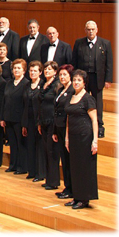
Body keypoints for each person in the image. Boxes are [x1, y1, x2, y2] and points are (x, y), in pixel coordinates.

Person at [72, 20, 113, 138]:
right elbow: (74, 61)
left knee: (97, 102)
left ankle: (99, 125)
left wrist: (108, 79)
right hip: (83, 79)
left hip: (97, 78)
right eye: (88, 29)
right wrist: (75, 78)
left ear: (97, 30)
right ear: (85, 30)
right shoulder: (79, 43)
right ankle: (84, 124)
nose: (90, 31)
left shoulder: (105, 43)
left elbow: (109, 63)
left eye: (93, 29)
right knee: (82, 100)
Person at [64, 69, 98, 209]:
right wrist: (66, 138)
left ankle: (84, 199)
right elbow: (68, 119)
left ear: (84, 83)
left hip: (85, 137)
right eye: (74, 80)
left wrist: (95, 140)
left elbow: (94, 121)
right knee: (75, 167)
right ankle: (76, 196)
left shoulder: (88, 98)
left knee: (84, 168)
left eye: (79, 80)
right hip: (73, 136)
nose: (76, 82)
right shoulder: (71, 96)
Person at [0, 58, 28, 174]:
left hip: (19, 119)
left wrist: (24, 122)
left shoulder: (26, 84)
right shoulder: (9, 83)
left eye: (19, 68)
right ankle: (13, 165)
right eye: (14, 68)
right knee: (12, 143)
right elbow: (4, 101)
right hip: (9, 117)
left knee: (21, 144)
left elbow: (26, 105)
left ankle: (22, 167)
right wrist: (2, 117)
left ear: (24, 70)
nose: (16, 70)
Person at [52, 64, 74, 199]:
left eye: (65, 74)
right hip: (59, 128)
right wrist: (55, 130)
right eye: (60, 75)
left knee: (68, 160)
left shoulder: (72, 91)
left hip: (68, 129)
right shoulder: (60, 89)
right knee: (64, 160)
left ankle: (71, 188)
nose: (62, 77)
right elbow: (56, 112)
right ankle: (67, 187)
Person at [21, 61, 46, 182]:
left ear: (40, 72)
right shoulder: (27, 85)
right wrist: (24, 124)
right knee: (30, 145)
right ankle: (31, 171)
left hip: (39, 120)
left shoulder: (43, 85)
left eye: (35, 70)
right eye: (31, 71)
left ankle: (40, 173)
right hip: (28, 119)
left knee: (39, 147)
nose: (32, 73)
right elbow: (24, 105)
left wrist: (40, 122)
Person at [38, 61, 60, 190]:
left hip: (52, 121)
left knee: (52, 152)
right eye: (45, 69)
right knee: (46, 150)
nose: (47, 71)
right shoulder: (43, 84)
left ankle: (54, 181)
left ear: (55, 72)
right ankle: (48, 179)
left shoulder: (56, 85)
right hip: (43, 120)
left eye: (50, 69)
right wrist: (39, 122)